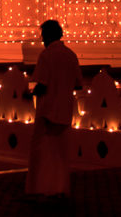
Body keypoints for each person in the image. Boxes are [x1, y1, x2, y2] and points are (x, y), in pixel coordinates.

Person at [24, 20, 82, 199]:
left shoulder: (47, 56)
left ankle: (39, 189)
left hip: (47, 111)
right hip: (65, 111)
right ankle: (60, 188)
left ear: (48, 36)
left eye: (43, 36)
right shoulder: (71, 55)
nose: (42, 40)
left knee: (42, 152)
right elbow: (78, 84)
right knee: (61, 153)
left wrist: (29, 94)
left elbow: (42, 84)